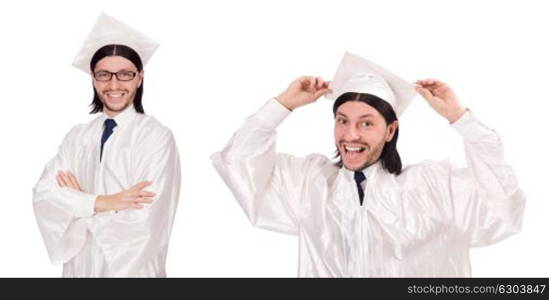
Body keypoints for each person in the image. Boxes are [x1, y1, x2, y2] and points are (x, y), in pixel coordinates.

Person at [211, 52, 525, 276]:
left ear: (390, 130)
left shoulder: (433, 187)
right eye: (342, 120)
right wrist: (282, 104)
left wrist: (459, 117)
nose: (350, 135)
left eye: (366, 124)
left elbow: (502, 202)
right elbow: (239, 162)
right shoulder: (311, 185)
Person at [32, 14, 181, 277]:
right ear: (93, 78)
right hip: (80, 268)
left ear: (140, 77)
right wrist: (106, 201)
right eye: (104, 75)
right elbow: (44, 195)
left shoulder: (156, 137)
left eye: (124, 74)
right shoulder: (76, 137)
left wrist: (79, 205)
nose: (114, 84)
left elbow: (147, 218)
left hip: (131, 272)